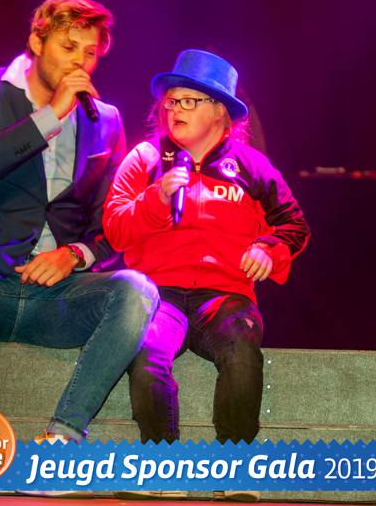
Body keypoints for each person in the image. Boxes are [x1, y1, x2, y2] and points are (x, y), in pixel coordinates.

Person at [0, 0, 159, 444]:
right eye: (68, 47)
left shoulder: (106, 120)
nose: (79, 62)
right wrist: (50, 116)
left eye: (90, 53)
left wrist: (74, 255)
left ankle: (63, 437)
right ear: (37, 42)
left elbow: (110, 224)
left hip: (55, 299)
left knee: (138, 289)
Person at [103, 49, 310, 444]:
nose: (175, 110)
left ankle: (234, 461)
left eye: (189, 101)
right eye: (171, 101)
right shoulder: (145, 159)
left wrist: (267, 249)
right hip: (157, 294)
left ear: (220, 111)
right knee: (145, 355)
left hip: (225, 297)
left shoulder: (251, 166)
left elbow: (294, 224)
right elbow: (114, 230)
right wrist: (155, 200)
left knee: (241, 351)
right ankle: (161, 459)